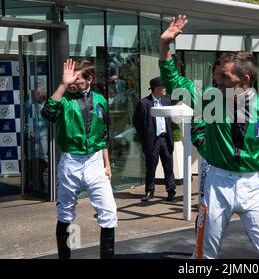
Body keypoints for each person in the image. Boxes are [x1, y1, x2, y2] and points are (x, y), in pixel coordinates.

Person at [158, 15, 259, 259]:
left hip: (253, 186)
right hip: (217, 183)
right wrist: (165, 46)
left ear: (245, 80)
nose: (217, 81)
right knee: (204, 255)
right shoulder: (210, 97)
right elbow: (174, 82)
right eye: (217, 75)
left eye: (225, 78)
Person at [42, 59, 117, 259]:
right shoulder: (64, 98)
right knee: (65, 213)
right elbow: (47, 113)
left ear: (89, 79)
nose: (72, 82)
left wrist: (107, 164)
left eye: (76, 79)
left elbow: (103, 135)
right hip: (70, 162)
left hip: (94, 162)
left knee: (109, 213)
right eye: (70, 79)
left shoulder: (100, 100)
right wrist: (63, 85)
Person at [133, 76, 176, 202]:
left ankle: (171, 191)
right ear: (157, 89)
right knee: (151, 166)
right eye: (163, 87)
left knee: (168, 166)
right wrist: (145, 136)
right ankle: (149, 191)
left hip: (166, 138)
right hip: (152, 140)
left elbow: (170, 120)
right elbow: (137, 122)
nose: (165, 89)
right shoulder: (144, 103)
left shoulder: (167, 101)